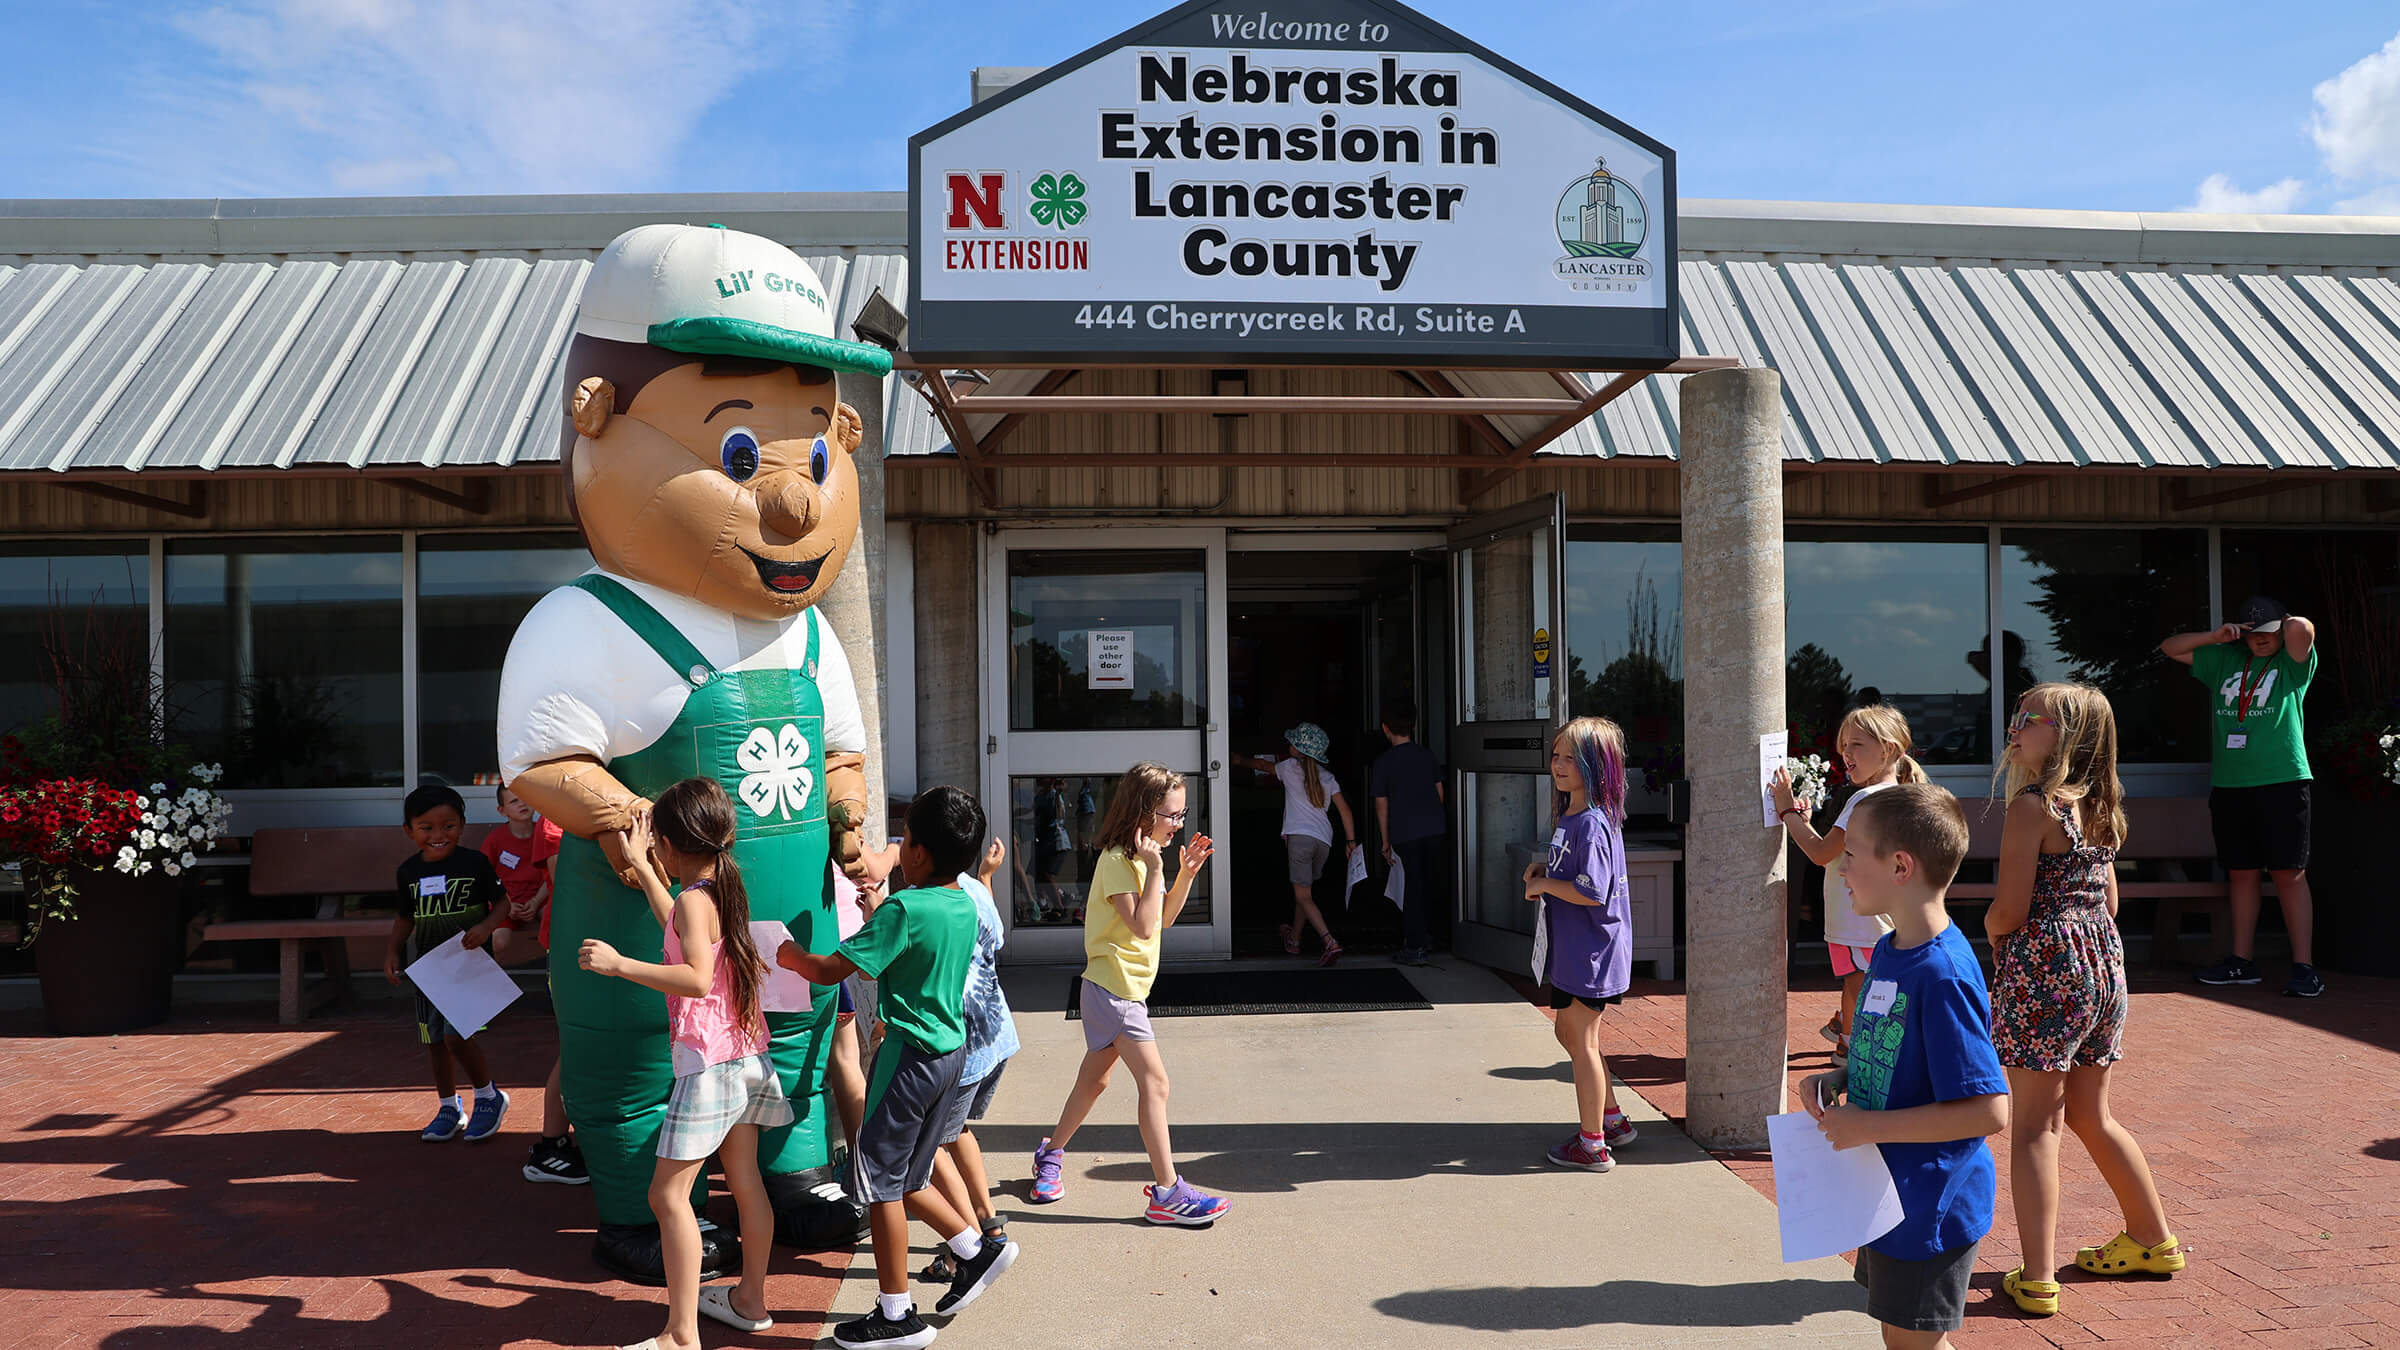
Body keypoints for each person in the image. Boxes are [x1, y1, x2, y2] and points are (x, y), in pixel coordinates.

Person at [775, 787, 1018, 1349]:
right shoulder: (963, 898)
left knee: (878, 1184)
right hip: (950, 1056)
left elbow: (830, 970)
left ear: (921, 854)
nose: (897, 846)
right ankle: (973, 1249)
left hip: (907, 1059)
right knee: (909, 1175)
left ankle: (896, 1312)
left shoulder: (903, 909)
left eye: (905, 838)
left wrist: (787, 954)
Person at [1986, 684, 2184, 1318]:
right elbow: (2113, 903)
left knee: (2034, 1126)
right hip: (2103, 967)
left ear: (2065, 734)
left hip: (2045, 972)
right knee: (2092, 1115)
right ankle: (2152, 1239)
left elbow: (2011, 908)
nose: (2014, 726)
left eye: (2028, 719)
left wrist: (1991, 934)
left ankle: (2039, 1278)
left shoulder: (2032, 807)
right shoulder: (2101, 806)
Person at [577, 779, 791, 1350]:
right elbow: (680, 925)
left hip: (710, 1065)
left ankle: (680, 1334)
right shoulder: (719, 883)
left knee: (667, 1198)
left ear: (672, 842)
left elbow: (695, 977)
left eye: (659, 846)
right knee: (745, 1183)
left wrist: (620, 964)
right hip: (746, 1053)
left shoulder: (698, 898)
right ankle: (749, 1299)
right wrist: (645, 869)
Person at [1799, 784, 2009, 1350]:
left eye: (1851, 854)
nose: (1840, 867)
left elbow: (1989, 1110)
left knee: (1912, 1344)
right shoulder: (1891, 948)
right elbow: (1895, 1049)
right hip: (1890, 1191)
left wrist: (1869, 1127)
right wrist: (1839, 1078)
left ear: (1899, 865)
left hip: (1931, 1203)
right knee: (1901, 1336)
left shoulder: (1943, 974)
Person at [1028, 762, 1228, 1225]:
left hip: (1119, 992)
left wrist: (1185, 875)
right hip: (1114, 992)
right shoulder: (1119, 861)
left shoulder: (1144, 859)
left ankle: (1050, 1154)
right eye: (1172, 815)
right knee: (1155, 1084)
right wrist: (1157, 867)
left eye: (1182, 814)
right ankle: (1168, 1192)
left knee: (1092, 1082)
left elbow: (1164, 920)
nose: (1179, 824)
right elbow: (1141, 928)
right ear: (1144, 812)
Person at [2161, 596, 2323, 997]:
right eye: (2255, 636)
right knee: (2242, 873)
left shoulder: (2291, 663)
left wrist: (2280, 624)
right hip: (2232, 785)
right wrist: (2218, 636)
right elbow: (2170, 647)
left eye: (2268, 634)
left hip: (2283, 781)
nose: (2262, 642)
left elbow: (2303, 628)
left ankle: (2304, 966)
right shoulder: (2224, 661)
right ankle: (2241, 961)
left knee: (2289, 873)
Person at [1773, 704, 1923, 1062]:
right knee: (1867, 986)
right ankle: (1851, 1041)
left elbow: (1821, 853)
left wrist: (1787, 812)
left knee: (1858, 987)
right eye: (1844, 745)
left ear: (1887, 749)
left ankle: (1852, 1049)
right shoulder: (1900, 795)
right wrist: (1804, 821)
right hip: (1878, 918)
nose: (1845, 754)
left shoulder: (1863, 798)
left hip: (1856, 921)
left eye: (1856, 745)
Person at [1524, 716, 1640, 1171]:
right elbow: (1573, 874)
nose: (1559, 764)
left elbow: (1591, 891)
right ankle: (1610, 1119)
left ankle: (1592, 1144)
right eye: (1556, 755)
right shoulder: (1573, 816)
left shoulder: (1590, 823)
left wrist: (1545, 887)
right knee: (1570, 1033)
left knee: (1582, 1039)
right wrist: (1543, 874)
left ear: (1598, 765)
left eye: (1572, 757)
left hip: (1593, 953)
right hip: (1577, 951)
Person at [384, 785, 510, 1144]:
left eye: (448, 826)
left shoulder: (474, 863)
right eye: (427, 828)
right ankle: (448, 1107)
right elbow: (404, 917)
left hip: (468, 965)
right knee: (435, 1040)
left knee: (457, 1035)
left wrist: (486, 927)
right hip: (428, 969)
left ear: (462, 825)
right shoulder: (407, 872)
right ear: (409, 831)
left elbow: (502, 903)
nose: (439, 835)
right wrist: (392, 950)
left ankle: (488, 1097)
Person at [921, 833, 1019, 1284]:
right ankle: (988, 1221)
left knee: (929, 1144)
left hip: (961, 1047)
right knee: (955, 1131)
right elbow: (993, 938)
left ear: (920, 853)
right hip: (996, 1037)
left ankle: (968, 1247)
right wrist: (985, 877)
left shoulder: (924, 904)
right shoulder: (975, 889)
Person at [485, 785, 586, 1187]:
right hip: (570, 948)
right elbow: (570, 886)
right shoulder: (554, 824)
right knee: (575, 1047)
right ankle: (551, 1145)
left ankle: (569, 1141)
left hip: (592, 947)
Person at [1232, 722, 1357, 965]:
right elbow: (1345, 811)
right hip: (1324, 842)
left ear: (1299, 751)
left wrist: (1239, 761)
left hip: (1299, 840)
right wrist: (1351, 842)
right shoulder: (1328, 777)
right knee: (1304, 892)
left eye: (1292, 743)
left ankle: (1329, 941)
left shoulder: (1289, 768)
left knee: (1304, 895)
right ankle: (1295, 940)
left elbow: (1261, 765)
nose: (1288, 745)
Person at [1370, 704, 1446, 967]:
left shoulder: (1384, 762)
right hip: (1434, 827)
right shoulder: (1426, 755)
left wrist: (1385, 840)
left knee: (1411, 888)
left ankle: (1414, 947)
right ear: (1412, 726)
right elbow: (1439, 792)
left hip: (1405, 831)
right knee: (1429, 883)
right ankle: (1429, 936)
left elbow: (1382, 805)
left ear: (1385, 728)